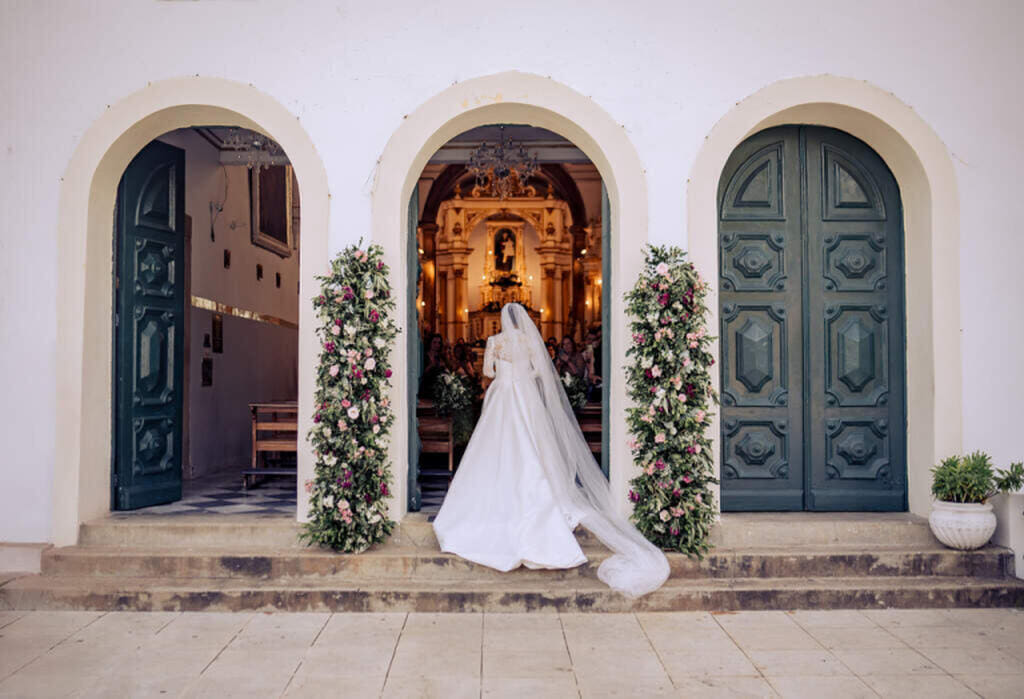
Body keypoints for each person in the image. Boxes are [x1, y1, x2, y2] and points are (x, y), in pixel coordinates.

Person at [432, 303, 669, 597]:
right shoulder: (530, 342)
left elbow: (487, 371)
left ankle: (492, 499)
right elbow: (535, 371)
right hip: (524, 399)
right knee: (531, 446)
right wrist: (521, 378)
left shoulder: (495, 341)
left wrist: (505, 374)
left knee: (493, 449)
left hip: (502, 398)